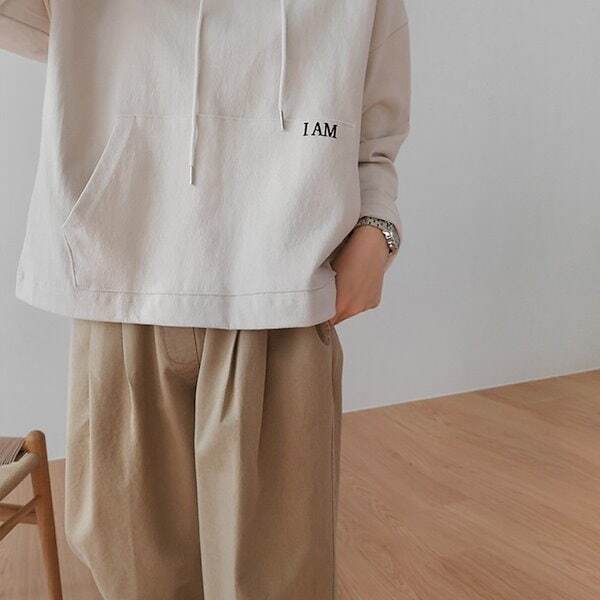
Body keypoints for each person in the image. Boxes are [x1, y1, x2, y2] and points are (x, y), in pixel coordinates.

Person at [0, 0, 410, 598]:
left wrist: (378, 227)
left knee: (276, 579)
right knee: (134, 577)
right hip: (121, 282)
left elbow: (378, 124)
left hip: (280, 294)